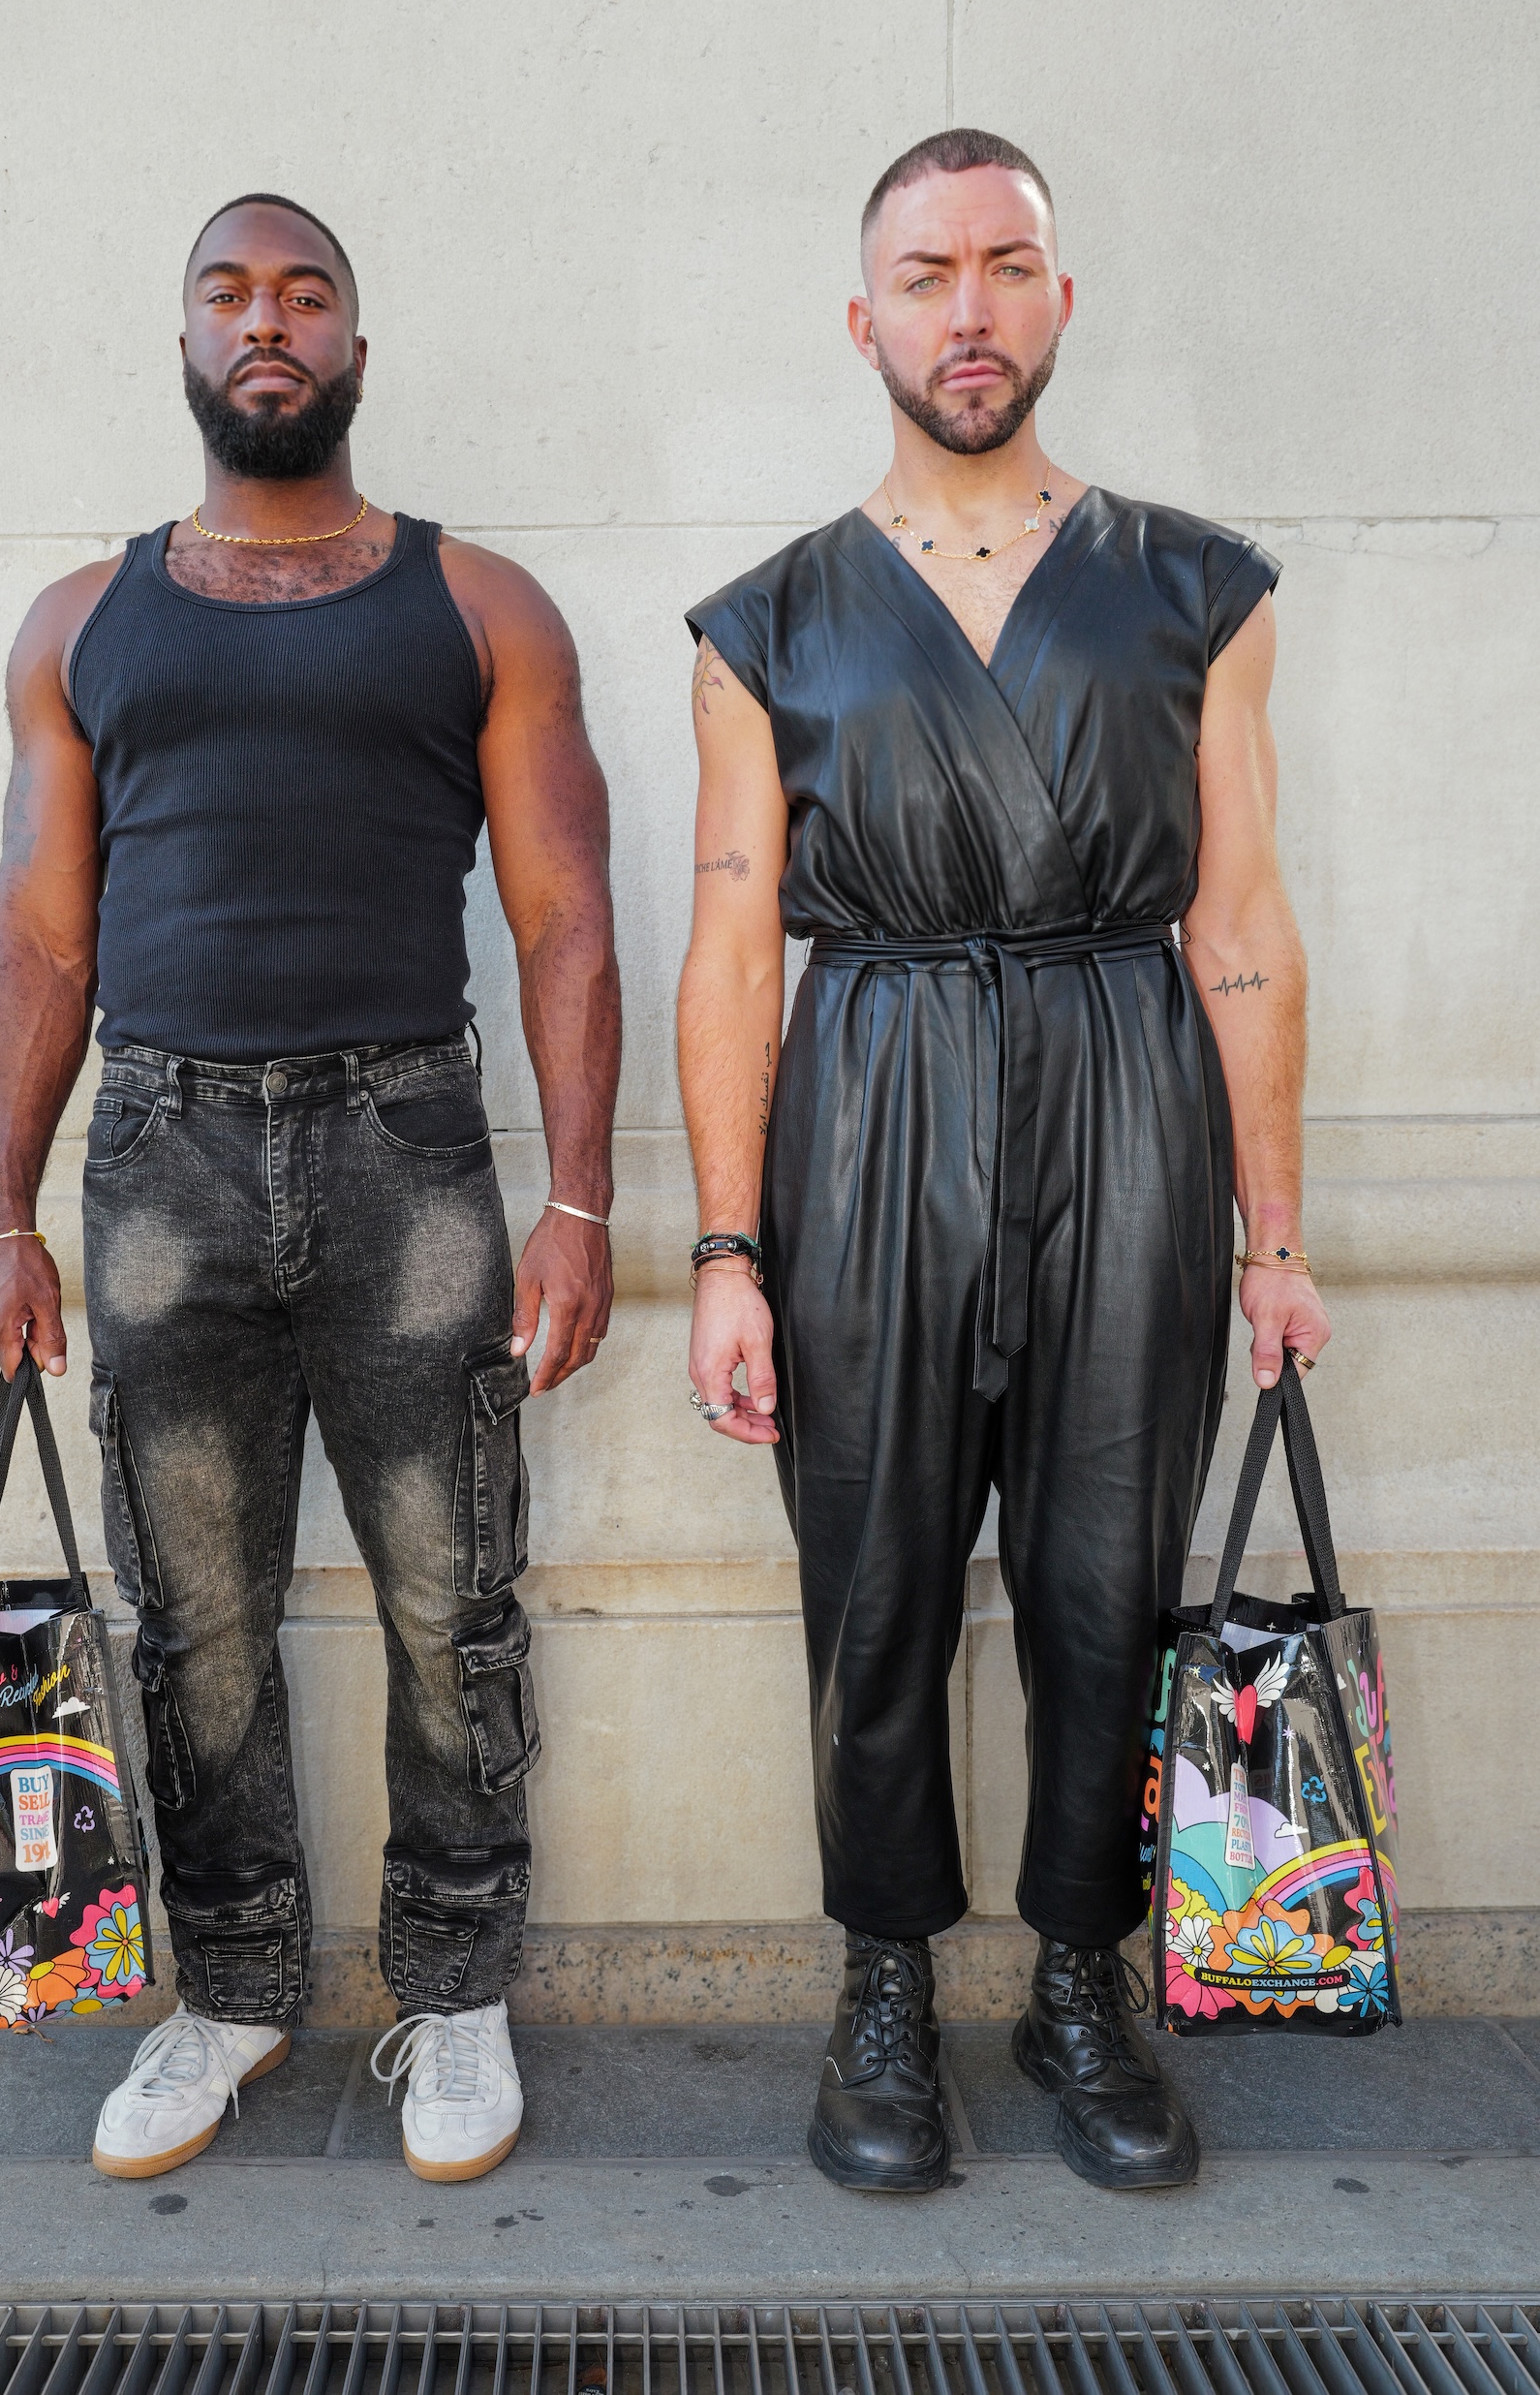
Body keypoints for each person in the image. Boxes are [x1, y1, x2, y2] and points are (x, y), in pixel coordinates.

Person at [677, 129, 1330, 2194]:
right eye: (926, 271)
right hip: (863, 1094)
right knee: (867, 1569)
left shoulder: (1191, 588)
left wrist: (1273, 1235)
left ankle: (1078, 1975)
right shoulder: (760, 620)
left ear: (1059, 298)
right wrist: (720, 1247)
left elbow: (1235, 915)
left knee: (1098, 1570)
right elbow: (721, 936)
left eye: (1006, 265)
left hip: (1121, 1084)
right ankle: (879, 1979)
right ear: (857, 315)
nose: (968, 307)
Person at [0, 193, 620, 2184]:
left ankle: (451, 1991)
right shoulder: (83, 619)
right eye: (230, 293)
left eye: (306, 294)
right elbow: (38, 932)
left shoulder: (477, 603)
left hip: (407, 1144)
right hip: (156, 1156)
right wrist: (0, 1208)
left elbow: (565, 915)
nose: (268, 321)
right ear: (185, 343)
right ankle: (234, 1991)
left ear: (355, 348)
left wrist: (581, 1199)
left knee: (454, 1601)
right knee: (199, 1622)